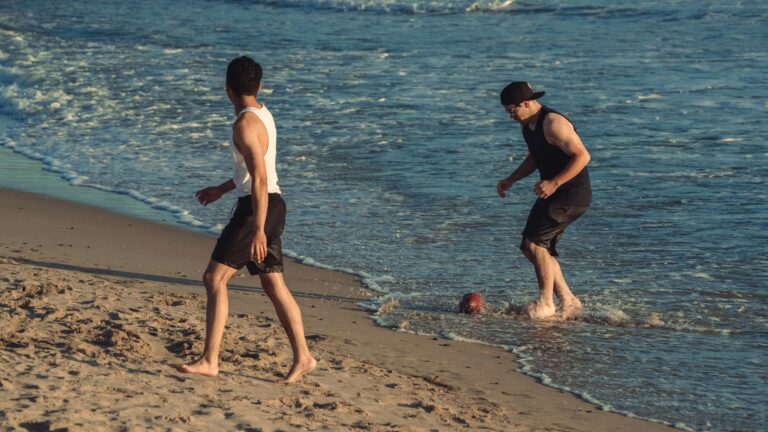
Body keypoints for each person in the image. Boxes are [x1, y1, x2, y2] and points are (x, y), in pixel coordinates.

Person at [174, 56, 316, 382]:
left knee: (214, 278)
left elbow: (261, 180)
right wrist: (223, 189)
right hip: (270, 204)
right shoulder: (262, 114)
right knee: (273, 283)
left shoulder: (243, 124)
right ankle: (304, 356)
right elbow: (254, 173)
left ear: (228, 89)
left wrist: (258, 231)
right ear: (259, 86)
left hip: (258, 209)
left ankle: (210, 360)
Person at [496, 82, 592, 319]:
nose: (510, 116)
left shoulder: (553, 124)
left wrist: (554, 183)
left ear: (526, 103)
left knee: (535, 245)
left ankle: (546, 303)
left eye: (512, 111)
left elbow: (583, 156)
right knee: (531, 248)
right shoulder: (528, 125)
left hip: (571, 194)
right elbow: (534, 157)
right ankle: (568, 299)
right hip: (555, 193)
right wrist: (511, 179)